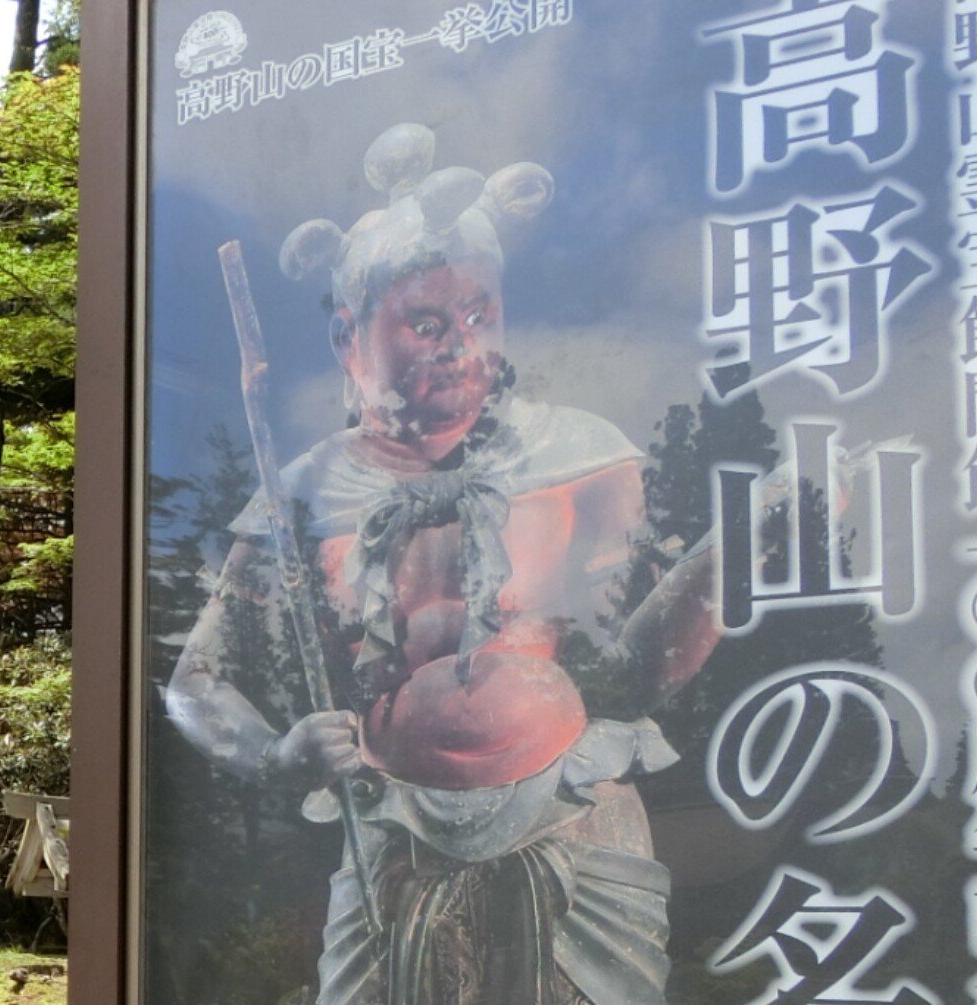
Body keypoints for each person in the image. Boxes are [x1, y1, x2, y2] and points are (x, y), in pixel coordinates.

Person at [166, 125, 725, 1005]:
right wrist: (277, 752)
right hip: (391, 832)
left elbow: (631, 668)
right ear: (349, 336)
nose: (458, 344)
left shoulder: (579, 454)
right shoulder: (305, 492)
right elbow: (193, 679)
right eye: (424, 322)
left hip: (572, 812)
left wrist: (728, 562)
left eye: (478, 316)